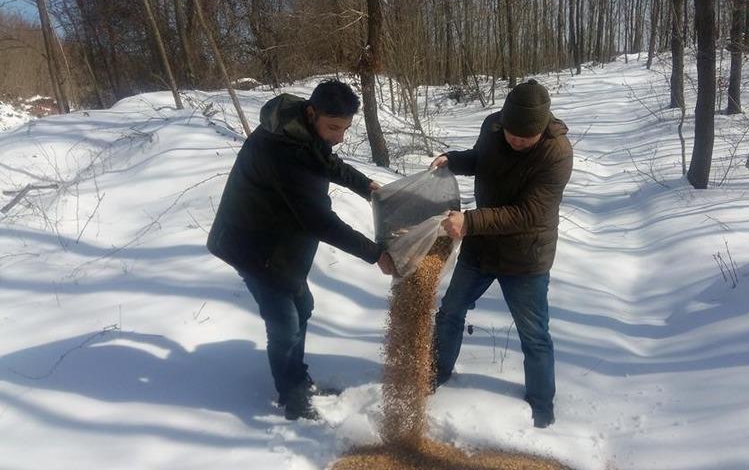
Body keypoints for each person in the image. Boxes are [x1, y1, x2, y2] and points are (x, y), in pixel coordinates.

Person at [207, 80, 396, 420]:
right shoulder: (281, 149)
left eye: (345, 129)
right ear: (312, 113)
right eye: (333, 127)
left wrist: (368, 187)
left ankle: (298, 378)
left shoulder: (304, 132)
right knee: (285, 322)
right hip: (251, 244)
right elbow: (319, 221)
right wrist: (375, 253)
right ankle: (291, 395)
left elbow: (328, 163)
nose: (339, 136)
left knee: (302, 307)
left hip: (280, 239)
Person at [431, 79, 572, 428]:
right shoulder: (493, 126)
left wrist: (470, 221)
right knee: (450, 312)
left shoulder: (557, 153)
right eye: (511, 133)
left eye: (525, 137)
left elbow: (528, 213)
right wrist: (454, 160)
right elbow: (482, 160)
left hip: (526, 256)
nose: (516, 139)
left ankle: (541, 405)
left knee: (534, 335)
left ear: (542, 129)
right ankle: (435, 374)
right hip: (481, 247)